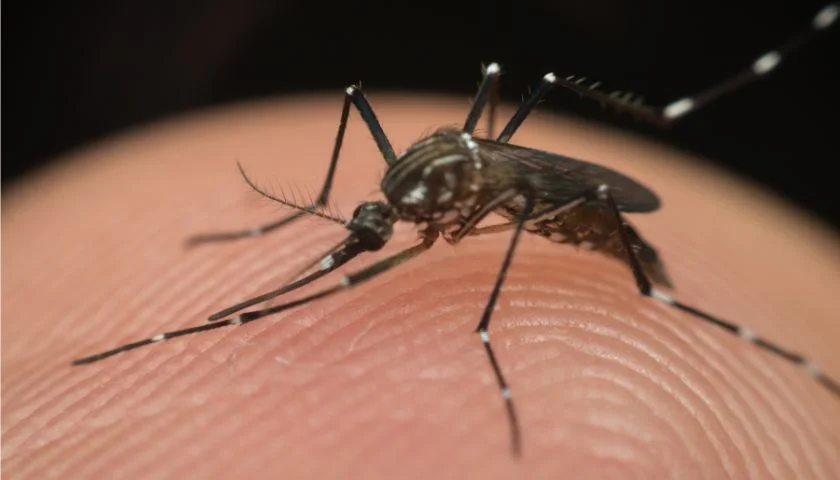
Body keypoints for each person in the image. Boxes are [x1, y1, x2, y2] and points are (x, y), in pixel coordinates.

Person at [4, 95, 839, 479]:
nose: (368, 242)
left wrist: (487, 330)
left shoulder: (432, 202)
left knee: (526, 99)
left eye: (367, 233)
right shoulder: (402, 194)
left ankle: (677, 138)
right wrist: (280, 234)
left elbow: (514, 189)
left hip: (578, 205)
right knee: (360, 96)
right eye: (365, 231)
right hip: (493, 184)